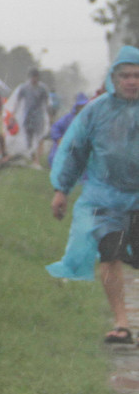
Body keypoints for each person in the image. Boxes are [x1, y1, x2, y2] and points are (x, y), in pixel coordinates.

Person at [48, 46, 139, 344]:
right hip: (105, 197)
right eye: (125, 75)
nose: (132, 81)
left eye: (137, 75)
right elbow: (75, 151)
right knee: (109, 256)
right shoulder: (96, 111)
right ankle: (122, 323)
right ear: (114, 78)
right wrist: (62, 190)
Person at [15, 68, 52, 166]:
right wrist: (14, 113)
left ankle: (37, 160)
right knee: (29, 137)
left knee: (39, 137)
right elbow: (18, 100)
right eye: (32, 77)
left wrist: (49, 116)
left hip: (38, 115)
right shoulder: (24, 87)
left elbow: (47, 102)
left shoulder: (43, 88)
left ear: (38, 77)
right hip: (27, 115)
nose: (34, 79)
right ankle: (32, 156)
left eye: (35, 77)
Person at [47, 92, 91, 168]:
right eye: (80, 106)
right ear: (76, 106)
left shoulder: (90, 120)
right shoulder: (68, 118)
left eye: (84, 106)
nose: (82, 108)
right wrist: (59, 139)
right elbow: (55, 128)